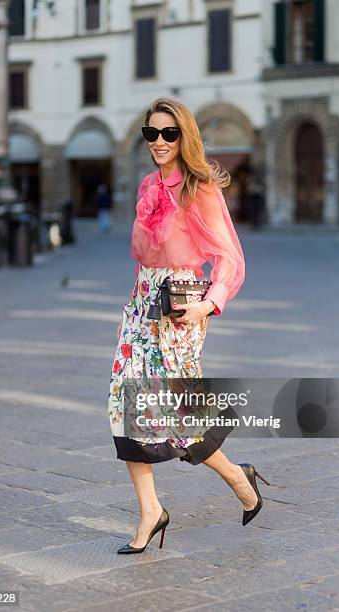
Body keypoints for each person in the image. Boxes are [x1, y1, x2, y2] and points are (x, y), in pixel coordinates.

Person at [107, 96, 270, 555]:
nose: (159, 142)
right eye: (151, 134)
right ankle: (150, 512)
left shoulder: (200, 188)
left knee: (181, 418)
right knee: (126, 406)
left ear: (184, 137)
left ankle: (240, 477)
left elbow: (230, 258)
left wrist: (208, 305)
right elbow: (142, 253)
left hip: (181, 310)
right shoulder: (146, 186)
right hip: (141, 305)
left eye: (168, 133)